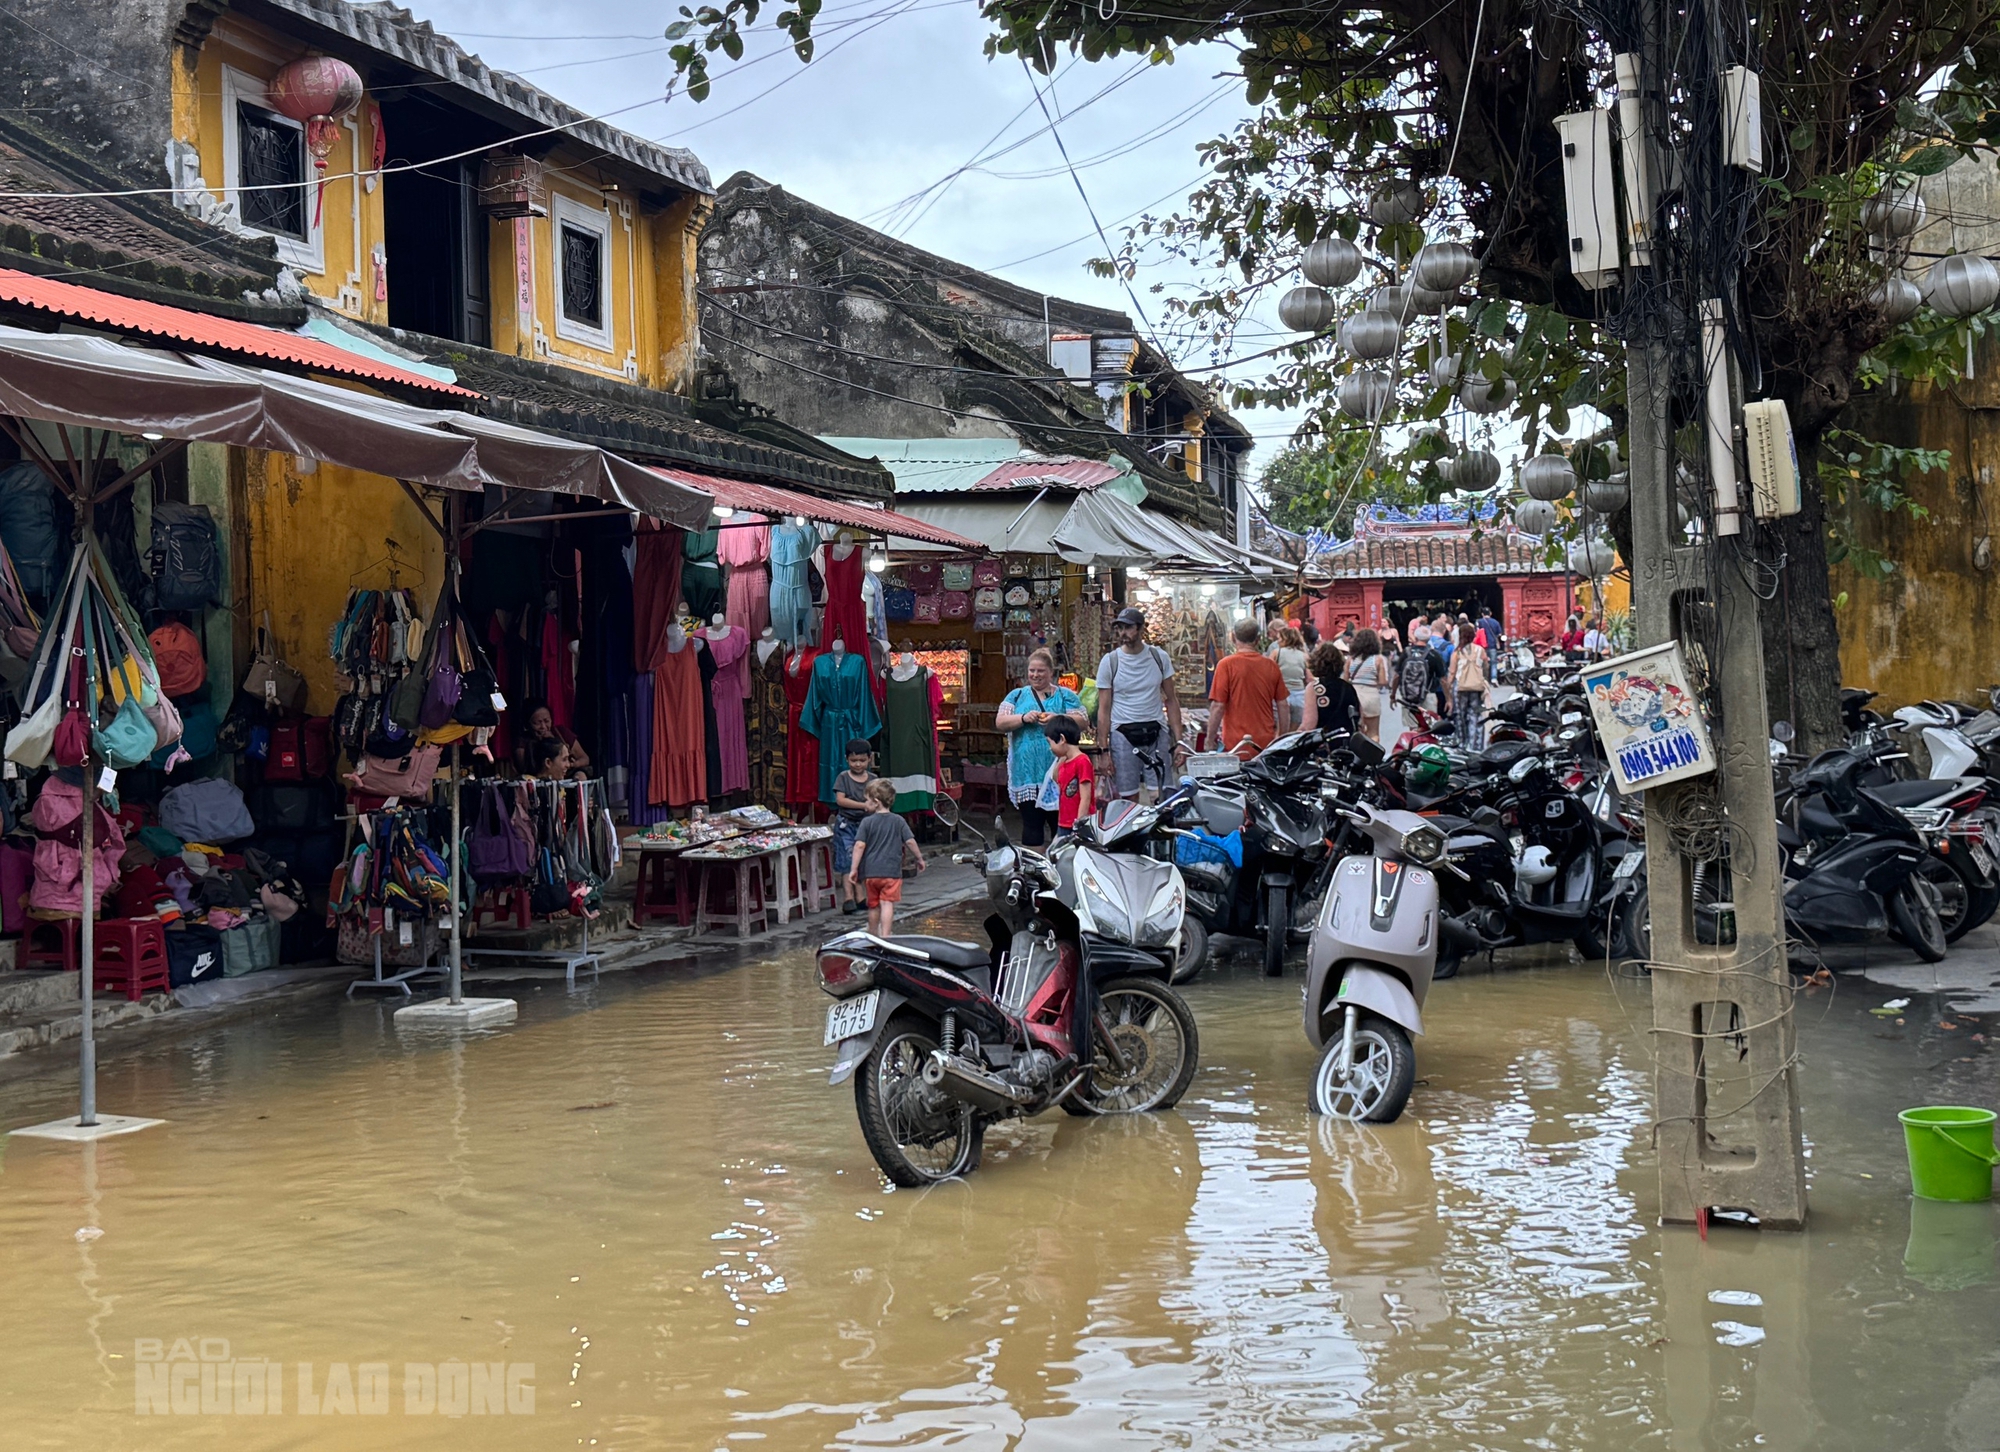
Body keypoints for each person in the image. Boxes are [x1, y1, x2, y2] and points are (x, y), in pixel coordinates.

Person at [996, 647, 1087, 846]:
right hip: (1027, 773)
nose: (1035, 675)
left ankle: (1060, 866)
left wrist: (1058, 717)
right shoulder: (1017, 696)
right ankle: (1035, 870)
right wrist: (1022, 718)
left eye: (1041, 671)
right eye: (1032, 671)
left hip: (1060, 770)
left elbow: (1083, 720)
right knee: (1031, 824)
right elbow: (1000, 722)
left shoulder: (1065, 695)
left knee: (1060, 822)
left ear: (1051, 673)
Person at [1095, 606, 1184, 802]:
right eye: (1120, 628)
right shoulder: (1110, 662)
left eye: (1128, 628)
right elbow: (1104, 709)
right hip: (1123, 732)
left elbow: (1171, 699)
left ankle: (1161, 831)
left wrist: (1179, 741)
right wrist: (1104, 750)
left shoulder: (1158, 657)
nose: (1123, 633)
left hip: (1156, 729)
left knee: (1161, 795)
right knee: (1127, 798)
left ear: (1141, 629)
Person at [848, 779, 925, 936]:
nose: (865, 803)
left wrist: (854, 868)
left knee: (873, 905)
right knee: (887, 903)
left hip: (870, 873)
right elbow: (910, 841)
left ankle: (872, 936)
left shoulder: (866, 822)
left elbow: (859, 846)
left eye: (867, 800)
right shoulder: (898, 821)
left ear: (876, 802)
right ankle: (886, 936)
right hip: (891, 873)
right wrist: (919, 858)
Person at [1213, 618, 1289, 758]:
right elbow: (1283, 705)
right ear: (1258, 639)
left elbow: (1218, 706)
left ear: (1232, 637)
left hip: (1235, 744)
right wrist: (1281, 738)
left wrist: (1209, 739)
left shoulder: (1226, 665)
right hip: (1265, 742)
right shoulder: (1271, 666)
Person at [832, 739, 878, 916]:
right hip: (846, 825)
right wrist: (863, 806)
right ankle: (848, 898)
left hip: (866, 826)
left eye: (862, 760)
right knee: (846, 862)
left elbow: (878, 799)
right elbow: (840, 800)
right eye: (853, 761)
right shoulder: (843, 777)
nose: (858, 764)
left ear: (869, 759)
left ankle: (861, 897)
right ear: (846, 759)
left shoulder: (873, 780)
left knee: (861, 862)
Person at [514, 700, 591, 778]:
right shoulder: (523, 744)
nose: (543, 727)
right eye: (537, 723)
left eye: (546, 721)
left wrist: (571, 764)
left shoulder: (561, 733)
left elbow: (584, 758)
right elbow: (526, 769)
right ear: (527, 724)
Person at [1044, 717, 1094, 835]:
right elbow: (1056, 778)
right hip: (1064, 822)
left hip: (1078, 824)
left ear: (1061, 739)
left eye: (1050, 743)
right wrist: (1062, 758)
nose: (1050, 748)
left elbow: (1085, 797)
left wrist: (1079, 824)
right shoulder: (1065, 762)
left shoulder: (1082, 761)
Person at [1301, 640, 1361, 734]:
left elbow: (1309, 724)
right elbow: (1360, 719)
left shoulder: (1314, 688)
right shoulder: (1348, 687)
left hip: (1324, 743)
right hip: (1347, 742)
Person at [1344, 627, 1389, 742]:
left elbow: (1345, 680)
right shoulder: (1378, 659)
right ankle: (1372, 758)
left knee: (1356, 731)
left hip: (1354, 696)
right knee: (1373, 732)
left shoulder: (1351, 659)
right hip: (1371, 695)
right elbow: (1383, 681)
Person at [1451, 623, 1490, 749]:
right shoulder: (1480, 650)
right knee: (1475, 714)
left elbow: (1452, 671)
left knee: (1460, 715)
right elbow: (1486, 667)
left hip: (1460, 687)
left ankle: (1462, 742)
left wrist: (1448, 687)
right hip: (1476, 686)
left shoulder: (1457, 652)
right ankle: (1475, 745)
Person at [1265, 624, 1309, 728]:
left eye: (1280, 638)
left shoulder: (1276, 653)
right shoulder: (1304, 656)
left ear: (1286, 639)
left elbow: (1267, 673)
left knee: (1280, 731)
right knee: (1294, 732)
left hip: (1281, 696)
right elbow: (1309, 678)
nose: (1278, 641)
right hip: (1299, 696)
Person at [1478, 605, 1504, 679]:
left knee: (1482, 663)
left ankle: (1483, 678)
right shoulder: (1495, 622)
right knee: (1493, 663)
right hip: (1492, 645)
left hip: (1482, 646)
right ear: (1490, 613)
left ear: (1482, 614)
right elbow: (1499, 634)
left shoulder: (1479, 622)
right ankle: (1493, 678)